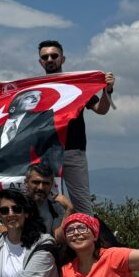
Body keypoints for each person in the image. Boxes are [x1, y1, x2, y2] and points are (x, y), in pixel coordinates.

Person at [36, 41, 115, 215]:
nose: (50, 59)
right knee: (49, 201)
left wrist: (107, 90)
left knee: (81, 202)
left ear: (62, 58)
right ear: (40, 62)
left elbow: (101, 110)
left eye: (54, 56)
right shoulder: (35, 89)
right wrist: (3, 92)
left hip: (73, 150)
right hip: (45, 152)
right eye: (45, 57)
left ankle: (88, 239)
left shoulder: (77, 85)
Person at [0, 87, 63, 183]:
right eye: (29, 97)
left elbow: (53, 152)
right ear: (13, 106)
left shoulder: (41, 122)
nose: (36, 99)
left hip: (24, 179)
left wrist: (52, 178)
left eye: (38, 97)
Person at [23, 163, 73, 238]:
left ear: (51, 185)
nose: (41, 187)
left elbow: (58, 237)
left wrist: (69, 209)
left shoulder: (55, 207)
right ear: (26, 183)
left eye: (46, 183)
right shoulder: (12, 204)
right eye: (36, 182)